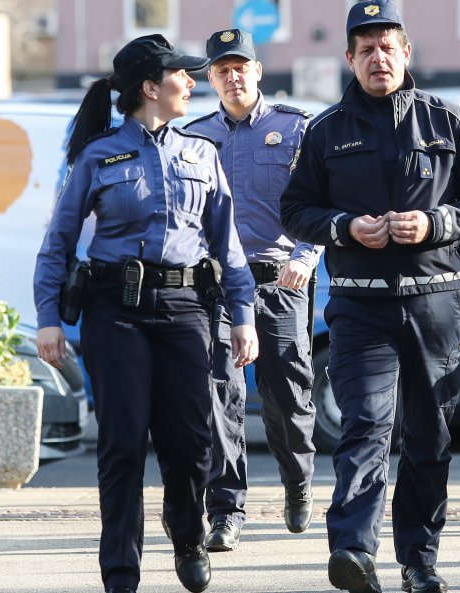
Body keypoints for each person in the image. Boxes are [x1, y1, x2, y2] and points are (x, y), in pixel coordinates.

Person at [280, 2, 460, 592]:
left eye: (388, 46)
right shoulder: (325, 130)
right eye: (366, 49)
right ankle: (354, 551)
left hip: (434, 304)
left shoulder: (449, 120)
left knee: (430, 436)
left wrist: (437, 224)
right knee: (366, 427)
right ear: (350, 58)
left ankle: (419, 561)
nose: (378, 57)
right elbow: (296, 210)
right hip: (359, 306)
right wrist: (343, 228)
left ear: (406, 53)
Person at [33, 34, 258, 593]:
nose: (192, 81)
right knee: (123, 444)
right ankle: (120, 572)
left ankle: (187, 534)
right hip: (116, 313)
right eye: (182, 74)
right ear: (151, 88)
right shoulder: (97, 155)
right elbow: (58, 241)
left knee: (190, 443)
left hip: (186, 309)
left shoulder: (201, 153)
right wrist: (47, 317)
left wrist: (243, 313)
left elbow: (226, 245)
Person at [183, 28, 321, 550]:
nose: (232, 76)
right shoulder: (196, 136)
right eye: (222, 70)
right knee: (220, 393)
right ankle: (225, 508)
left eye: (241, 66)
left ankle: (298, 481)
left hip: (280, 280)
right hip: (217, 285)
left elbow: (317, 201)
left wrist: (307, 258)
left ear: (258, 71)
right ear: (211, 79)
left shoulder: (296, 128)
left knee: (288, 396)